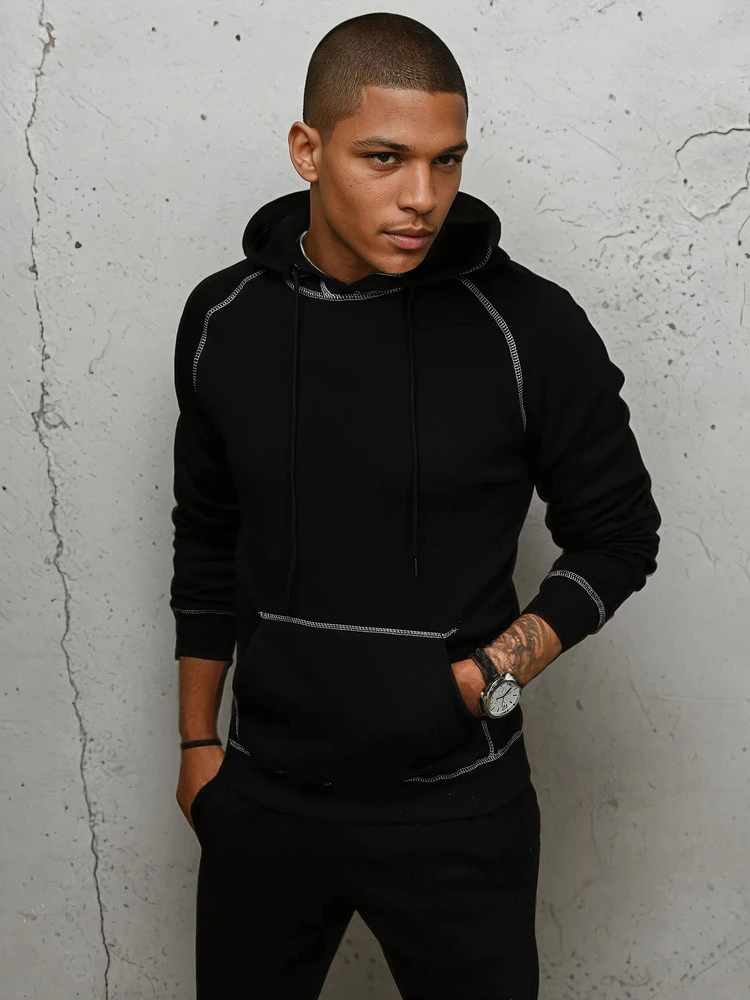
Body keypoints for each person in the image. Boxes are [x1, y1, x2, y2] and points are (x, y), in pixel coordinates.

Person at [169, 12, 661, 999]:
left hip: (456, 810)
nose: (423, 197)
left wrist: (483, 679)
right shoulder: (225, 317)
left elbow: (618, 536)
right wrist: (196, 745)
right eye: (385, 158)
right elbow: (207, 539)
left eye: (448, 160)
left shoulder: (529, 326)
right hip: (263, 799)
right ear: (309, 150)